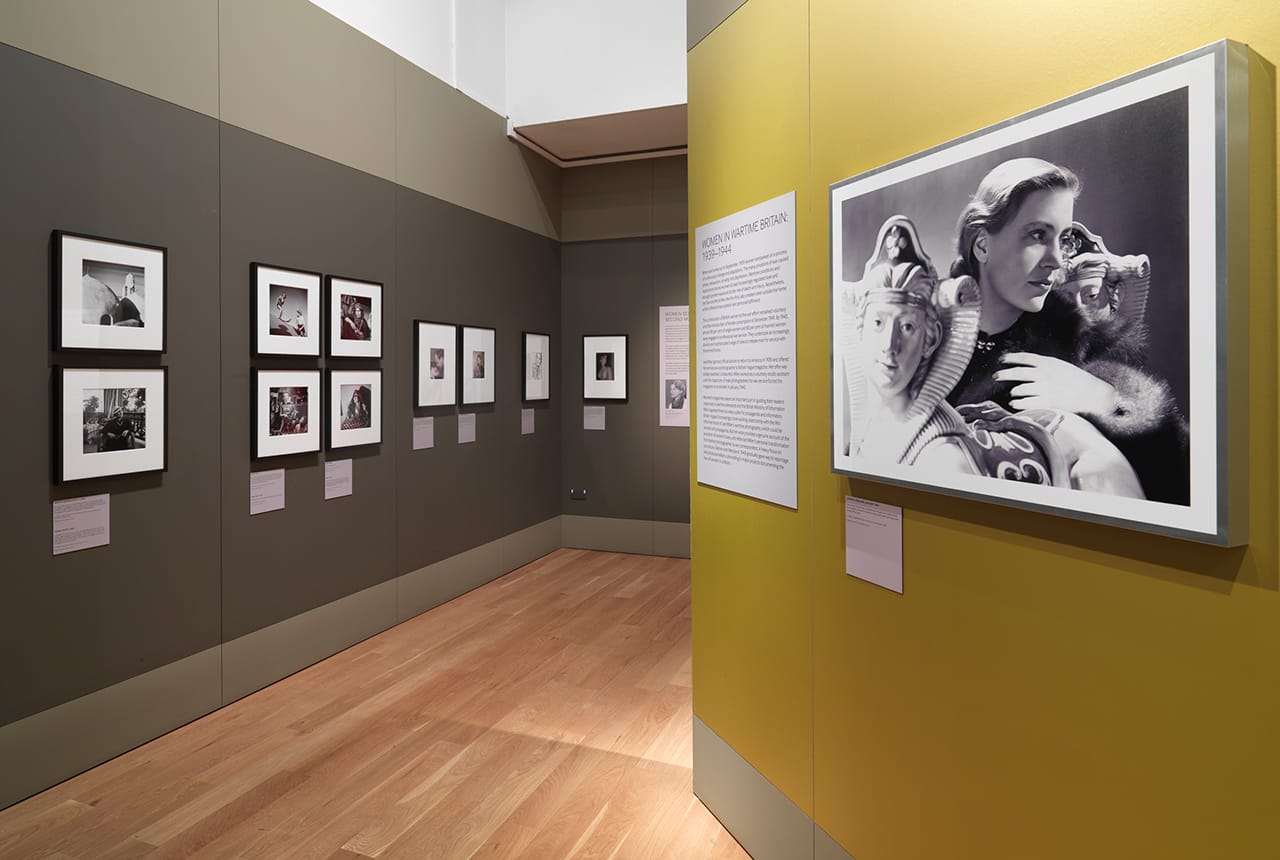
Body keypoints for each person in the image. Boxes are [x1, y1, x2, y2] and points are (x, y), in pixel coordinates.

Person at [944, 158, 1187, 503]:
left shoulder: (1082, 339)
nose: (1057, 260)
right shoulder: (922, 335)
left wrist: (1105, 400)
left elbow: (1174, 475)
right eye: (1037, 235)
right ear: (982, 245)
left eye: (1064, 239)